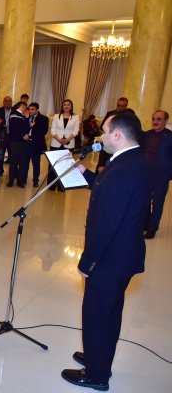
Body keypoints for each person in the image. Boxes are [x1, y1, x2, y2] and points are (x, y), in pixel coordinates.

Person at [62, 112, 150, 392]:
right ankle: (97, 356)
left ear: (117, 135)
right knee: (108, 312)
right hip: (123, 255)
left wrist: (88, 262)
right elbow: (109, 193)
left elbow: (107, 223)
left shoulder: (123, 169)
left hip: (111, 258)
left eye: (104, 131)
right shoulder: (134, 161)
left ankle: (97, 375)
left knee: (98, 314)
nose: (99, 136)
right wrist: (85, 174)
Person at [142, 110, 172, 239]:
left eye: (159, 119)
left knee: (158, 202)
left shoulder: (170, 137)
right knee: (144, 200)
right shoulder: (147, 135)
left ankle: (152, 228)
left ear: (165, 121)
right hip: (145, 173)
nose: (155, 122)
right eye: (154, 119)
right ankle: (145, 224)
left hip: (161, 175)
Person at [48, 99, 79, 191]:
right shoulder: (57, 116)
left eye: (68, 105)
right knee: (54, 164)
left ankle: (62, 186)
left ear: (71, 106)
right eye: (64, 105)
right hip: (56, 142)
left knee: (65, 165)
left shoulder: (75, 117)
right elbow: (53, 130)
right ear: (62, 106)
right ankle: (51, 185)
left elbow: (76, 130)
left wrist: (67, 140)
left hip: (69, 144)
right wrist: (59, 139)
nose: (66, 106)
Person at [96, 97, 133, 173]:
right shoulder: (110, 113)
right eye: (118, 105)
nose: (120, 107)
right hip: (107, 141)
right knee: (102, 162)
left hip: (119, 144)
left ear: (126, 106)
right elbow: (102, 126)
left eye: (122, 106)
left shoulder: (128, 115)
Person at [6, 101, 30, 188]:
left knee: (23, 162)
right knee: (13, 162)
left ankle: (20, 181)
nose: (26, 109)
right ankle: (11, 180)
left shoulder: (24, 116)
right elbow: (15, 127)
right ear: (22, 106)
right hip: (15, 142)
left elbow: (27, 127)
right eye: (25, 107)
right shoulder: (14, 114)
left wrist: (27, 119)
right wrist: (23, 135)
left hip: (23, 143)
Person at [27, 102, 49, 187]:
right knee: (25, 163)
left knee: (36, 163)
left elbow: (44, 131)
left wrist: (33, 127)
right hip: (26, 143)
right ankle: (23, 179)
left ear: (37, 110)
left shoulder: (44, 119)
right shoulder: (27, 117)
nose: (30, 111)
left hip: (36, 144)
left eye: (33, 109)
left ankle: (35, 180)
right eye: (29, 109)